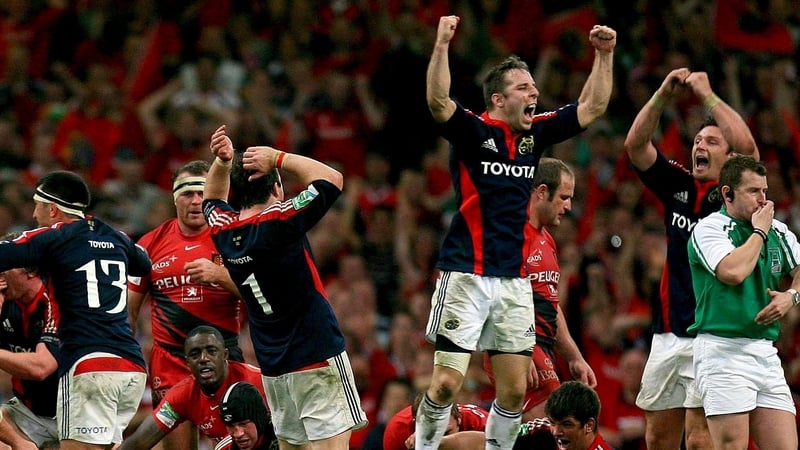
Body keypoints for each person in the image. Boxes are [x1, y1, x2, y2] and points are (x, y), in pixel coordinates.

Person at [417, 14, 616, 450]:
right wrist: (442, 45)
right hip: (465, 274)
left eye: (534, 88)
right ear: (498, 99)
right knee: (447, 383)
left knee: (511, 393)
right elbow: (437, 101)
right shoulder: (473, 131)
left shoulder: (533, 136)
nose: (534, 94)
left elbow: (592, 107)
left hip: (513, 282)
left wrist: (604, 55)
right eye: (523, 88)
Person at [204, 125, 367, 449]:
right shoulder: (280, 220)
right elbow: (332, 179)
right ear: (276, 186)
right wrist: (278, 157)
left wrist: (222, 162)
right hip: (317, 357)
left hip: (274, 370)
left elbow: (211, 199)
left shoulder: (224, 231)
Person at [622, 68, 759, 450]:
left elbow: (748, 148)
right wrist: (662, 95)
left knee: (700, 439)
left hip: (712, 335)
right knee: (658, 438)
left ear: (729, 157)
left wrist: (708, 95)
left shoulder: (737, 196)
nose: (700, 146)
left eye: (712, 141)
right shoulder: (678, 186)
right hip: (668, 331)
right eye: (698, 140)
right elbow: (636, 145)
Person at [0, 170, 150, 449]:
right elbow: (144, 263)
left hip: (90, 365)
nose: (34, 214)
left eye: (38, 205)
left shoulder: (56, 237)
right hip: (131, 369)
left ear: (53, 209)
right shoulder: (116, 236)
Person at [127, 159, 244, 450]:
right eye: (187, 193)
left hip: (224, 356)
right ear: (174, 197)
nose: (195, 201)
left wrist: (220, 275)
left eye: (202, 193)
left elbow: (261, 294)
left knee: (235, 442)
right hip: (171, 362)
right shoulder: (149, 245)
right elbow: (129, 311)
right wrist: (126, 362)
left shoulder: (232, 237)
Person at [687, 155, 799, 450]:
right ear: (727, 194)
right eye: (753, 191)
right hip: (723, 351)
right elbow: (733, 272)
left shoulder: (779, 230)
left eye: (764, 191)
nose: (763, 200)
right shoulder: (710, 229)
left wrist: (791, 296)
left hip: (765, 351)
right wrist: (760, 231)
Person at [483, 158, 596, 422]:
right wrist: (520, 349)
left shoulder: (547, 240)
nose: (569, 206)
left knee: (526, 434)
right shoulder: (510, 236)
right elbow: (491, 297)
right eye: (564, 197)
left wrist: (575, 357)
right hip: (514, 346)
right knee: (556, 426)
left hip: (542, 348)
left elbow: (550, 304)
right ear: (542, 192)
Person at [119, 325, 265, 450]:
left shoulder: (258, 381)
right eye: (195, 354)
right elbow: (140, 441)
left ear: (225, 354)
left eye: (211, 351)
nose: (204, 359)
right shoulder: (182, 395)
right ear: (187, 363)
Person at [0, 232, 60, 450]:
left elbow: (40, 368)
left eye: (4, 266)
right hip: (27, 411)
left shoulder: (58, 301)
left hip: (74, 412)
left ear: (31, 271)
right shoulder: (6, 302)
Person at [382, 395, 488, 450]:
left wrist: (426, 440)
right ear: (415, 424)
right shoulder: (397, 432)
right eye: (429, 434)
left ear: (459, 420)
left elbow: (493, 442)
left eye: (445, 433)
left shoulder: (479, 422)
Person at [545, 381, 612, 450]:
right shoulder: (542, 432)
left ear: (589, 425)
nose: (555, 432)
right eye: (552, 423)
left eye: (567, 424)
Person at [215, 381, 279, 450]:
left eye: (243, 424)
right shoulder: (226, 448)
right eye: (230, 426)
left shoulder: (283, 436)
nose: (238, 434)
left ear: (259, 420)